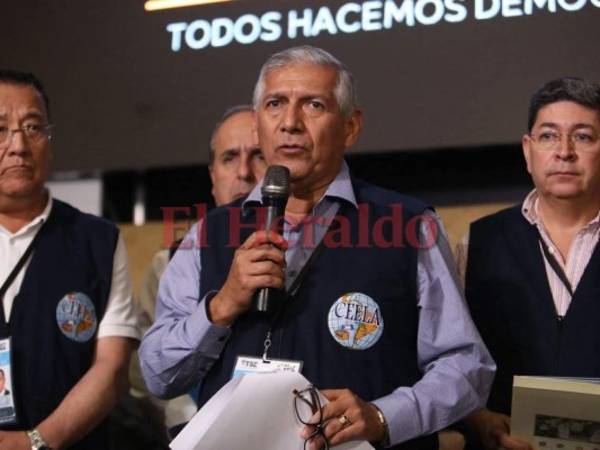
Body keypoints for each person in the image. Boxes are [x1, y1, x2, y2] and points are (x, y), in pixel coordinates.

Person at [140, 46, 494, 450]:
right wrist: (221, 305)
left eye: (313, 105)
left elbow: (467, 367)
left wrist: (382, 416)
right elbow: (158, 375)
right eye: (275, 104)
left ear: (350, 127)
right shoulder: (207, 234)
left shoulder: (409, 226)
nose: (290, 123)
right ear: (257, 124)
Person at [457, 77, 600, 449]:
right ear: (528, 149)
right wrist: (479, 419)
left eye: (583, 136)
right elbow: (448, 359)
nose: (564, 152)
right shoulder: (478, 242)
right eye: (548, 136)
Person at [0, 70, 140, 449]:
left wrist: (35, 443)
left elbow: (111, 368)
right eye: (1, 130)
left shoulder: (98, 241)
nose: (18, 145)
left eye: (33, 128)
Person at [129, 105, 266, 434]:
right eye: (229, 158)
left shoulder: (304, 253)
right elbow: (141, 372)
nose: (243, 172)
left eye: (258, 156)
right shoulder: (172, 261)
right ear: (212, 176)